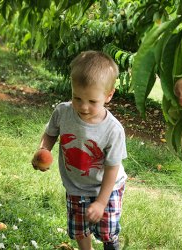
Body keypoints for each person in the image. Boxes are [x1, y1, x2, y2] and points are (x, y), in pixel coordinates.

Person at [32, 51, 127, 250]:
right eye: (77, 98)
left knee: (106, 230)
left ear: (108, 96)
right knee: (79, 229)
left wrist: (101, 202)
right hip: (76, 185)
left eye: (92, 101)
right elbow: (50, 133)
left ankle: (111, 244)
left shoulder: (113, 130)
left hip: (108, 187)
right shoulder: (63, 112)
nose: (83, 107)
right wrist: (43, 150)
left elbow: (112, 168)